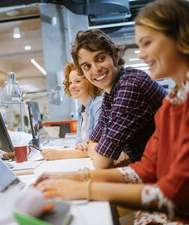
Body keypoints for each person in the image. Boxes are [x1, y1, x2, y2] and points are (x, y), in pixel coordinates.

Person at [35, 0, 189, 225]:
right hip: (175, 209)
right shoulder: (174, 99)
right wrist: (77, 177)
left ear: (180, 35)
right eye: (86, 66)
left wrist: (86, 188)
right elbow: (146, 168)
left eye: (147, 43)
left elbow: (178, 195)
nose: (141, 54)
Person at [71, 29, 166, 169]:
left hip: (169, 172)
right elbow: (92, 142)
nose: (96, 69)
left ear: (115, 56)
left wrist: (101, 153)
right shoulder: (110, 94)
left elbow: (101, 163)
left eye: (100, 58)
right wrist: (102, 152)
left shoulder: (129, 86)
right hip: (149, 170)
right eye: (87, 66)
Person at [41, 62, 103, 160]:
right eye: (70, 82)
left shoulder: (99, 105)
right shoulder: (81, 110)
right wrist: (80, 144)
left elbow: (99, 149)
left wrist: (59, 155)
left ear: (90, 82)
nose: (72, 86)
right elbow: (79, 141)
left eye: (77, 81)